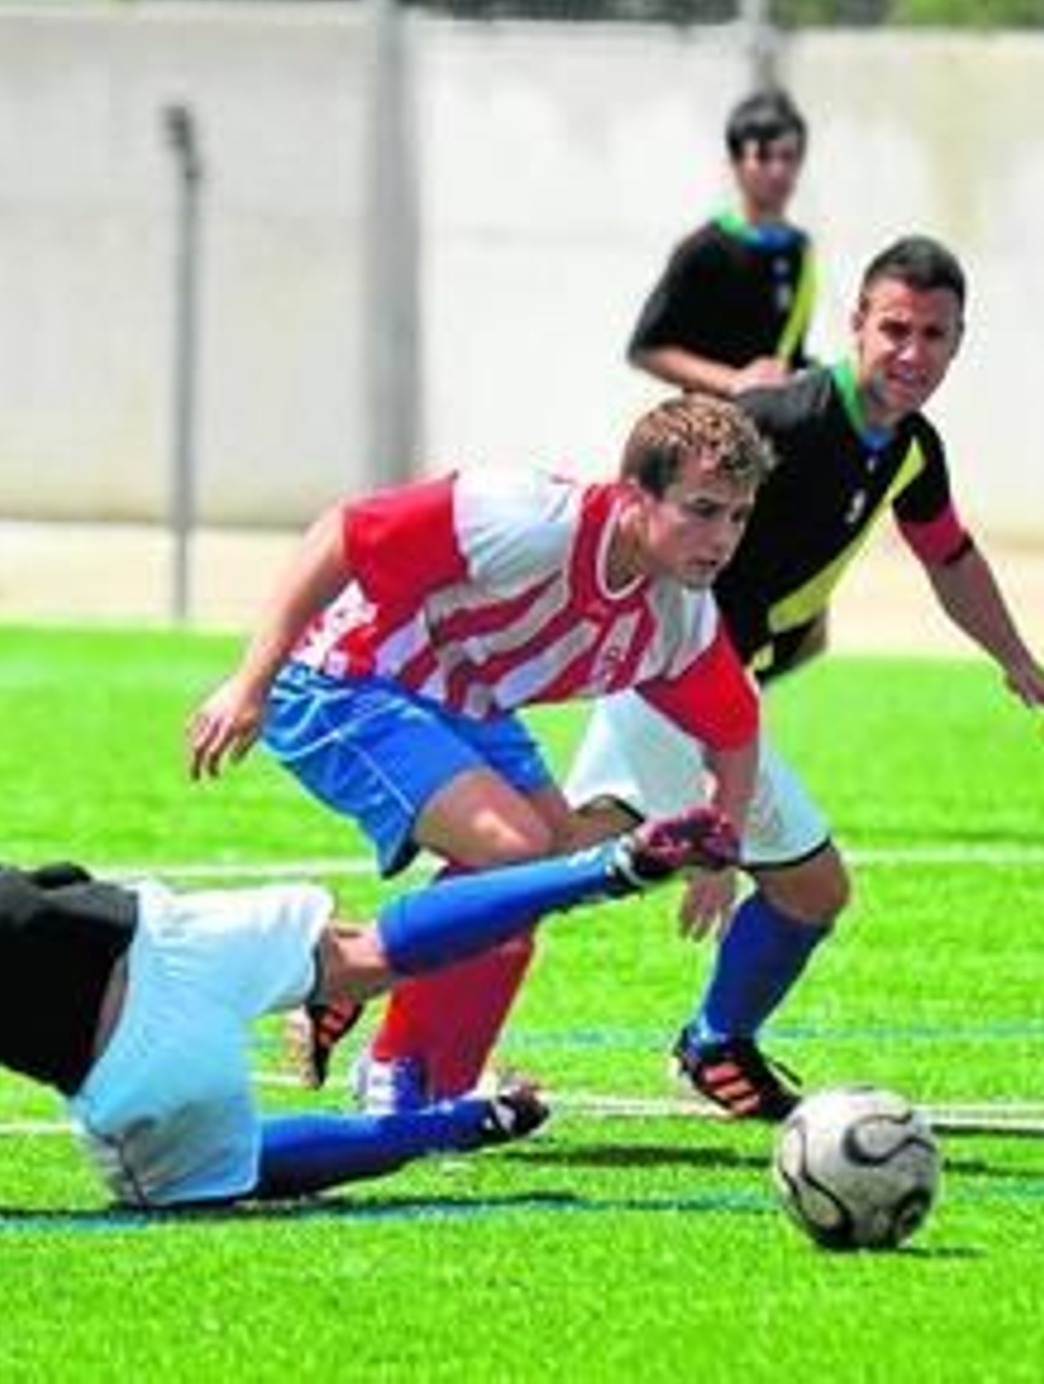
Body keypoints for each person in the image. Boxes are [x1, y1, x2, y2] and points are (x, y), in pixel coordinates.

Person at [0, 707, 739, 1214]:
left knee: (232, 1176)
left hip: (134, 1069)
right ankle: (612, 869)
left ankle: (458, 1124)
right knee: (365, 953)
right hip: (157, 931)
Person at [565, 235, 1044, 1120]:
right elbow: (644, 507)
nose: (912, 353)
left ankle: (366, 966)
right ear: (856, 324)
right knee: (812, 887)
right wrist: (715, 807)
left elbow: (949, 555)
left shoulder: (912, 449)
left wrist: (1018, 661)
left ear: (959, 343)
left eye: (935, 334)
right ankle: (714, 1043)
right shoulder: (777, 422)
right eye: (894, 328)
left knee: (548, 853)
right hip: (682, 689)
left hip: (690, 691)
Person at [187, 394, 773, 1113]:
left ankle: (444, 1084)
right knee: (515, 848)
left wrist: (724, 844)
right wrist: (251, 680)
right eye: (703, 508)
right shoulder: (524, 515)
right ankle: (383, 1051)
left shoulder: (679, 616)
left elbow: (736, 730)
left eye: (739, 515)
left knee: (538, 876)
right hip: (346, 675)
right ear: (633, 497)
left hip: (464, 701)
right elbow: (338, 534)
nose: (723, 536)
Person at [628, 88, 815, 400]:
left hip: (776, 435)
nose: (779, 170)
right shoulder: (703, 249)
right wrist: (734, 380)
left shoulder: (800, 248)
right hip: (713, 434)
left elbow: (787, 353)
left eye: (789, 156)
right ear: (735, 162)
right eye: (764, 156)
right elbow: (645, 349)